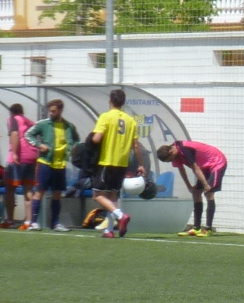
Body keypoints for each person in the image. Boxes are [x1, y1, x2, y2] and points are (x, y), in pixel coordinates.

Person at [88, 88, 142, 238]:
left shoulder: (105, 116)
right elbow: (136, 146)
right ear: (123, 102)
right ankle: (109, 230)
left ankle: (120, 216)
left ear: (110, 101)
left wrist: (90, 140)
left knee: (98, 196)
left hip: (107, 161)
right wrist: (141, 164)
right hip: (122, 163)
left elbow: (96, 139)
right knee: (112, 197)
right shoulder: (130, 120)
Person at [24, 100, 81, 233]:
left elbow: (76, 140)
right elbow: (28, 134)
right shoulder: (44, 124)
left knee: (57, 193)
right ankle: (33, 222)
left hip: (60, 164)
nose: (51, 113)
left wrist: (74, 148)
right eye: (50, 111)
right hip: (45, 163)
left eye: (53, 111)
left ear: (60, 110)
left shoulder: (68, 126)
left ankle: (55, 223)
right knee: (40, 191)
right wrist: (39, 145)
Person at [159, 139, 228, 236]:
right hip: (204, 166)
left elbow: (195, 168)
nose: (172, 161)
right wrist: (189, 187)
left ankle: (208, 229)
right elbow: (181, 170)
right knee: (196, 193)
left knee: (209, 192)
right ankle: (196, 228)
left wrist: (206, 185)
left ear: (171, 153)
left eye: (170, 160)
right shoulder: (174, 153)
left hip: (216, 162)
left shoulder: (185, 149)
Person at [3, 104, 31, 227]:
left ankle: (10, 220)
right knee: (28, 189)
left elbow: (15, 134)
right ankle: (29, 222)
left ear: (12, 112)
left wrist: (14, 153)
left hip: (18, 157)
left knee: (9, 188)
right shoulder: (28, 121)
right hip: (31, 157)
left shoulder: (13, 119)